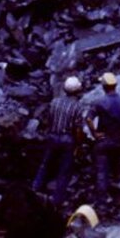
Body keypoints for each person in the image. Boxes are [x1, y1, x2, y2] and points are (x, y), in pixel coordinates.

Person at [31, 76, 85, 204]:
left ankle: (34, 189)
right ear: (78, 91)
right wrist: (79, 144)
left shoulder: (55, 102)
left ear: (65, 89)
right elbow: (78, 129)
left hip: (52, 136)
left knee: (45, 164)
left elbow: (47, 120)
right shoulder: (78, 107)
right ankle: (57, 200)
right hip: (68, 139)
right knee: (64, 170)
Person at [86, 72, 120, 204]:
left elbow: (88, 118)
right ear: (115, 85)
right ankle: (118, 195)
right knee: (117, 167)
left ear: (103, 86)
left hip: (103, 141)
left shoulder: (99, 102)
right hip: (119, 141)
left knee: (102, 171)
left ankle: (102, 200)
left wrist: (95, 133)